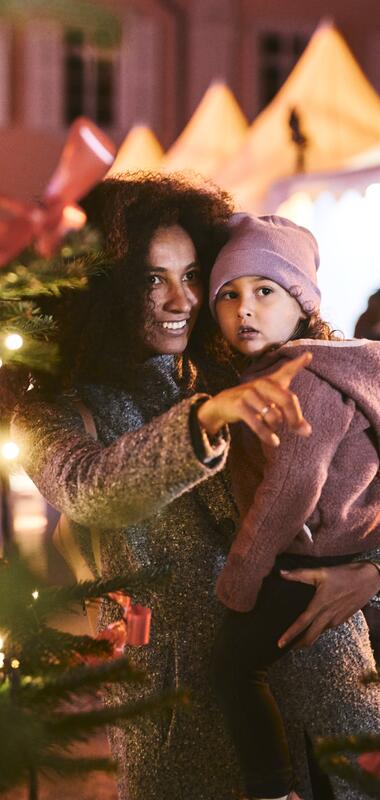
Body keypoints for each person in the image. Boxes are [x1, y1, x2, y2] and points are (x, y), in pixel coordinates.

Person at [11, 176, 380, 800]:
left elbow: (358, 482)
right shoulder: (52, 409)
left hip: (327, 684)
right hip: (187, 722)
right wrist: (205, 420)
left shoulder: (253, 359)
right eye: (153, 278)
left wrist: (370, 572)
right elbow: (91, 486)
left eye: (191, 274)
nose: (181, 298)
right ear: (107, 288)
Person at [206, 212, 380, 800]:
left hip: (318, 557)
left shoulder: (305, 375)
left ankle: (272, 790)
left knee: (232, 667)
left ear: (301, 303)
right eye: (228, 295)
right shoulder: (265, 372)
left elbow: (292, 488)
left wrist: (241, 578)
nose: (244, 309)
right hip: (323, 551)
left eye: (264, 291)